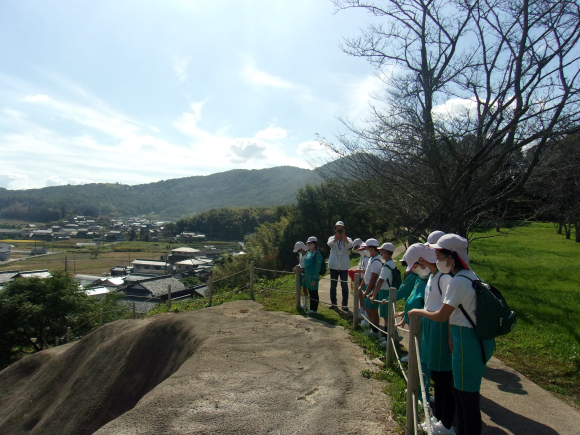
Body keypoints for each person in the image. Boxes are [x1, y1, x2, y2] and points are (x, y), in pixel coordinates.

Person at [409, 234, 495, 435]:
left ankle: (457, 429)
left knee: (467, 399)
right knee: (461, 393)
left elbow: (442, 315)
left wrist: (418, 312)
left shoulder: (457, 281)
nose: (437, 260)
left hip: (467, 341)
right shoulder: (470, 276)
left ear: (452, 257)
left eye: (440, 256)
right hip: (471, 340)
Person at [370, 242, 395, 338]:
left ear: (386, 252)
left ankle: (386, 337)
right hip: (387, 291)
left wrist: (373, 295)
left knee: (386, 317)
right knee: (386, 316)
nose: (381, 253)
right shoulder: (390, 264)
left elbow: (380, 281)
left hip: (385, 292)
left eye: (382, 251)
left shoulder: (387, 266)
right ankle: (386, 336)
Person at [327, 221, 353, 310]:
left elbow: (350, 246)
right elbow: (330, 244)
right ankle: (333, 303)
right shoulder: (331, 238)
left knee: (344, 285)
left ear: (344, 229)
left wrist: (345, 240)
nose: (339, 229)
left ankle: (344, 304)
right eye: (338, 228)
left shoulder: (348, 238)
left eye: (341, 228)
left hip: (344, 266)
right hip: (334, 265)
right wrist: (336, 239)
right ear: (335, 229)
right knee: (333, 285)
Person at [360, 238, 382, 336]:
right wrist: (362, 285)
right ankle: (372, 328)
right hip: (367, 287)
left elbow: (374, 278)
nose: (367, 250)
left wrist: (367, 290)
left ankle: (375, 330)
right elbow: (367, 275)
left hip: (371, 288)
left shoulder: (376, 260)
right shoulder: (371, 259)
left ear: (373, 248)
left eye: (368, 248)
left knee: (373, 310)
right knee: (368, 309)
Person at [302, 236, 323, 314]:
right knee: (311, 292)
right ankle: (312, 308)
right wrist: (304, 276)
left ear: (314, 244)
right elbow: (306, 265)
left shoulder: (317, 255)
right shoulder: (309, 253)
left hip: (313, 277)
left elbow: (317, 268)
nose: (308, 245)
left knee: (314, 293)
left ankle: (314, 309)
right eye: (308, 243)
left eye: (310, 243)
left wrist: (314, 279)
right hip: (308, 276)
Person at [352, 242, 369, 322]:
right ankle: (364, 314)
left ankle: (367, 319)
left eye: (361, 249)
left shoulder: (367, 259)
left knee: (366, 300)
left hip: (367, 281)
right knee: (363, 297)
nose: (359, 251)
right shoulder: (364, 257)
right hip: (363, 279)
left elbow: (367, 271)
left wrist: (358, 271)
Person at [292, 241, 309, 310]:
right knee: (298, 288)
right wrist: (296, 267)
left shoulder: (308, 255)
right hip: (300, 273)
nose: (299, 251)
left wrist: (300, 270)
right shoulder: (301, 254)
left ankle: (305, 304)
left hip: (305, 273)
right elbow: (300, 264)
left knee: (305, 288)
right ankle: (300, 303)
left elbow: (307, 267)